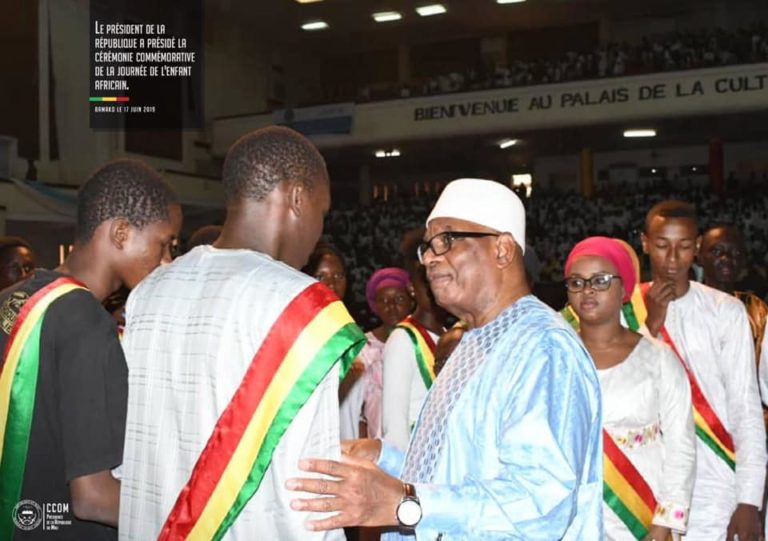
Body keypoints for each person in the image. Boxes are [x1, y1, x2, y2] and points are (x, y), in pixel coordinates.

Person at [288, 178, 603, 540]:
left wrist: (403, 502)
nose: (431, 259)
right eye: (428, 247)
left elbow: (541, 505)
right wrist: (381, 457)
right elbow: (455, 469)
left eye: (447, 240)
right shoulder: (473, 340)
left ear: (502, 250)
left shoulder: (544, 349)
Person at [118, 126, 365, 541]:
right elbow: (310, 496)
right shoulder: (304, 306)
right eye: (322, 212)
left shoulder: (147, 293)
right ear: (298, 199)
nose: (319, 231)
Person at [0, 159, 181, 541]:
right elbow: (93, 498)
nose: (168, 262)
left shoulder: (13, 300)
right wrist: (193, 517)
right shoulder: (87, 323)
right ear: (120, 233)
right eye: (164, 244)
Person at [640, 201, 766, 541]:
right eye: (662, 246)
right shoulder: (627, 311)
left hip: (715, 483)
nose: (672, 259)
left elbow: (745, 408)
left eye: (683, 247)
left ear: (696, 248)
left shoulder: (726, 311)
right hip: (648, 483)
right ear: (645, 243)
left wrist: (749, 500)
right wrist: (650, 326)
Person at [565, 236, 696, 540]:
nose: (587, 290)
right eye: (577, 282)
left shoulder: (658, 358)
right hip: (573, 517)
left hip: (641, 515)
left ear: (624, 289)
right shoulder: (554, 359)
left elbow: (682, 447)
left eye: (600, 280)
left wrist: (665, 523)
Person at [382, 253, 446, 451]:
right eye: (427, 282)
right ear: (411, 288)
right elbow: (394, 428)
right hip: (416, 459)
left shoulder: (448, 335)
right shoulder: (402, 339)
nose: (433, 288)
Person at [699, 224, 767, 379]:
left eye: (735, 253)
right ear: (699, 256)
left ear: (743, 261)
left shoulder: (756, 309)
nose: (726, 258)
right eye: (717, 251)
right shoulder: (684, 305)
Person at [358, 267, 414, 441]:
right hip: (376, 443)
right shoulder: (364, 346)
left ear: (411, 301)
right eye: (383, 300)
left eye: (398, 299)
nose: (391, 307)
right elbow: (357, 409)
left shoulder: (421, 341)